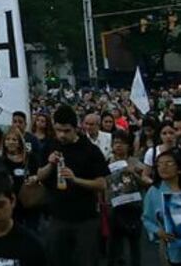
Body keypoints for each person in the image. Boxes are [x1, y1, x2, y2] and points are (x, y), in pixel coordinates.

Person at [36, 104, 109, 266]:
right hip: (57, 217)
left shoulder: (90, 150)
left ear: (76, 128)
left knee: (85, 261)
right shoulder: (49, 145)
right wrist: (49, 165)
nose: (62, 135)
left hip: (85, 219)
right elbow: (39, 175)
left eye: (66, 131)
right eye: (58, 130)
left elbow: (102, 184)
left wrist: (76, 180)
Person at [106, 129, 151, 266]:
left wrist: (134, 174)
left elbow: (146, 183)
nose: (118, 145)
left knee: (134, 245)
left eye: (122, 143)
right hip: (114, 208)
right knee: (114, 244)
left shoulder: (135, 162)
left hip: (133, 208)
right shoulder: (107, 162)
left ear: (128, 146)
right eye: (115, 143)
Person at [1, 126, 40, 228]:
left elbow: (40, 174)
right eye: (8, 139)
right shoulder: (0, 161)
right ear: (4, 142)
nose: (11, 142)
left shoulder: (31, 158)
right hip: (12, 205)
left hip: (30, 203)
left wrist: (35, 178)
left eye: (14, 139)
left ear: (19, 142)